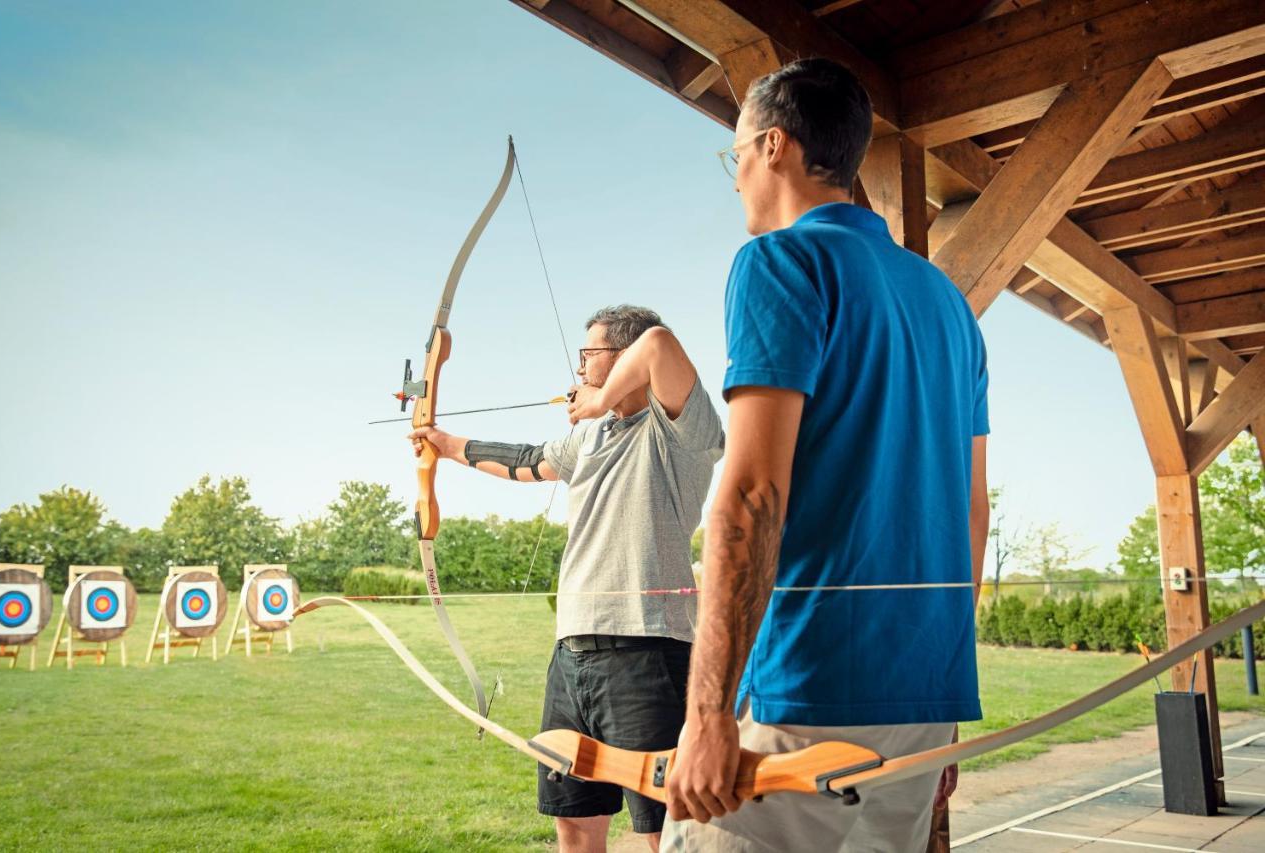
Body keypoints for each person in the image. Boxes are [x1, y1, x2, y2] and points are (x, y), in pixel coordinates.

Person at [661, 58, 990, 852]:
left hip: (806, 690)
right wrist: (935, 705)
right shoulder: (947, 302)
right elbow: (973, 510)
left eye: (735, 152)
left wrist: (707, 717)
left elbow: (749, 497)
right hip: (921, 694)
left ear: (773, 145)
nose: (734, 174)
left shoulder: (780, 262)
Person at [412, 305, 724, 853]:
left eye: (590, 355)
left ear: (622, 357)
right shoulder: (593, 436)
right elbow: (528, 462)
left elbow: (659, 343)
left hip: (647, 650)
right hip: (571, 655)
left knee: (662, 832)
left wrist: (601, 399)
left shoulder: (679, 427)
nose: (580, 367)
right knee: (574, 828)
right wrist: (440, 441)